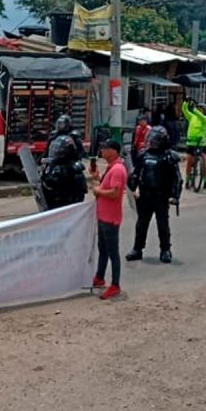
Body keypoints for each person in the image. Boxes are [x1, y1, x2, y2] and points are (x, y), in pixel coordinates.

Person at [126, 127, 182, 264]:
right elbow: (136, 172)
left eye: (155, 140)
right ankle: (137, 249)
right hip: (145, 195)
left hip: (161, 196)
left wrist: (175, 195)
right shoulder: (143, 155)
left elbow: (177, 178)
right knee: (141, 224)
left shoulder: (169, 156)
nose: (151, 142)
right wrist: (132, 185)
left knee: (162, 224)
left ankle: (165, 250)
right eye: (150, 140)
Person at [91, 139, 128, 300]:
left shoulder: (118, 169)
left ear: (113, 151)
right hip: (103, 216)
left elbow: (114, 193)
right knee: (103, 250)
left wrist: (98, 191)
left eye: (105, 149)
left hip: (111, 218)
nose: (102, 151)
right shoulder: (111, 168)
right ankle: (99, 277)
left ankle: (115, 284)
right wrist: (97, 178)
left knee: (113, 252)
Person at [41, 134, 87, 210]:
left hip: (68, 203)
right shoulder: (54, 164)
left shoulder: (74, 167)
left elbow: (52, 181)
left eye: (58, 148)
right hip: (56, 203)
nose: (57, 150)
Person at [182, 100, 206, 190]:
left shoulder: (205, 119)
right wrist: (186, 102)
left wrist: (194, 109)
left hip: (200, 144)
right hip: (191, 143)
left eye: (201, 109)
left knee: (204, 161)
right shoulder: (192, 117)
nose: (199, 110)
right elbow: (184, 110)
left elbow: (198, 114)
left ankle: (205, 181)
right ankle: (187, 180)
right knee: (189, 162)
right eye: (199, 108)